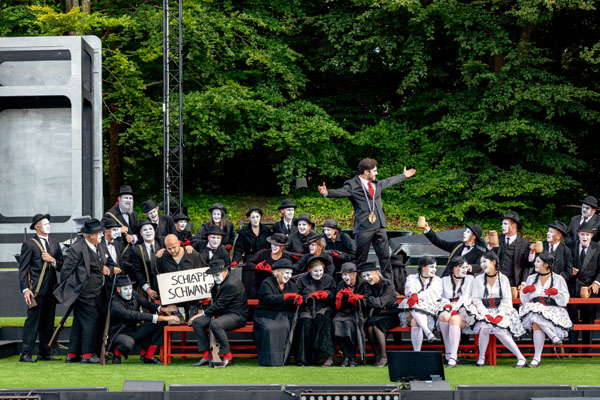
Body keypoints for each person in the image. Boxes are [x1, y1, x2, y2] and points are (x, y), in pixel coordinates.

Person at [318, 158, 416, 282]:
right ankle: (359, 284)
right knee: (360, 259)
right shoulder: (352, 184)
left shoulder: (376, 183)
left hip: (379, 225)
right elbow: (342, 192)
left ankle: (388, 284)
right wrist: (327, 192)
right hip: (364, 228)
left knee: (385, 257)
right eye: (374, 171)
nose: (377, 173)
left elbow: (389, 181)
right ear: (366, 172)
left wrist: (404, 176)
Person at [54, 219, 117, 364]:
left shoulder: (100, 246)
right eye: (99, 232)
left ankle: (73, 353)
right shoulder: (76, 248)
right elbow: (65, 272)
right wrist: (73, 289)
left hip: (98, 292)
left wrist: (110, 270)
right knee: (91, 321)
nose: (102, 234)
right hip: (83, 293)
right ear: (91, 235)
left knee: (78, 323)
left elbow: (110, 264)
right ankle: (87, 354)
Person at [18, 213, 64, 362]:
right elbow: (23, 269)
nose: (48, 225)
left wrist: (53, 261)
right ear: (36, 226)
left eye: (48, 223)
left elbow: (62, 265)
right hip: (36, 289)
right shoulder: (29, 244)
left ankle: (45, 352)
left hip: (52, 289)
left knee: (48, 321)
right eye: (44, 223)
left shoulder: (55, 243)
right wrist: (26, 289)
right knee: (33, 322)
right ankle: (26, 353)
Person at [469, 251, 527, 367]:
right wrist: (486, 313)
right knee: (485, 327)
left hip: (502, 310)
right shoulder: (478, 279)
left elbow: (506, 299)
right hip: (484, 311)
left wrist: (500, 315)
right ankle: (481, 357)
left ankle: (521, 358)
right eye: (481, 262)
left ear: (494, 262)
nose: (482, 264)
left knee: (498, 329)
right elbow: (476, 299)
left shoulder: (503, 279)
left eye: (485, 261)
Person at [189, 259, 248, 367]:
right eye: (213, 275)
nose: (215, 277)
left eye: (217, 274)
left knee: (215, 324)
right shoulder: (220, 282)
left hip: (236, 315)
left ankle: (228, 356)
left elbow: (220, 305)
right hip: (221, 313)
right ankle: (207, 356)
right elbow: (215, 302)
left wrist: (202, 313)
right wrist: (203, 312)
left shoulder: (231, 284)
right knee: (197, 323)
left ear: (225, 271)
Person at [108, 275, 180, 364]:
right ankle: (117, 355)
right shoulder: (116, 305)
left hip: (133, 330)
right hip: (120, 333)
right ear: (118, 290)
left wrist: (162, 309)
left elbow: (146, 303)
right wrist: (163, 317)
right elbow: (136, 315)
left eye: (130, 288)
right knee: (128, 343)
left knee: (160, 325)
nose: (129, 292)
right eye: (125, 289)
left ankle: (149, 356)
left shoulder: (133, 293)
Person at [519, 252, 572, 367]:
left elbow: (565, 300)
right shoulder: (531, 278)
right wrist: (525, 291)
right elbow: (525, 300)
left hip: (552, 310)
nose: (535, 264)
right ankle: (550, 339)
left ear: (547, 264)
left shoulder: (558, 279)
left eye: (538, 262)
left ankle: (537, 357)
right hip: (535, 309)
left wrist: (556, 293)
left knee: (536, 317)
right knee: (535, 317)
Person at [253, 258, 303, 366]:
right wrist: (287, 296)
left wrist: (297, 301)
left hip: (282, 315)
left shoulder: (292, 286)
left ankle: (281, 360)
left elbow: (293, 302)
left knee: (284, 327)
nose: (288, 276)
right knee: (268, 329)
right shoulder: (267, 283)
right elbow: (269, 299)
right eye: (286, 272)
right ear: (278, 272)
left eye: (290, 273)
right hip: (265, 314)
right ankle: (268, 360)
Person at [294, 256, 337, 366]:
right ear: (309, 270)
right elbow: (296, 296)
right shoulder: (301, 279)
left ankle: (327, 356)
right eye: (315, 271)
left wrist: (328, 294)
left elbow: (334, 294)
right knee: (304, 322)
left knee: (322, 320)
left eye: (321, 270)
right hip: (306, 308)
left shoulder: (329, 279)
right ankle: (303, 359)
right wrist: (308, 296)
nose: (318, 273)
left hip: (324, 307)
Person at [566, 222, 600, 351]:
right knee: (572, 318)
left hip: (589, 287)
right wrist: (571, 271)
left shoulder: (597, 248)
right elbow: (565, 264)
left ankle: (587, 349)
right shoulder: (570, 246)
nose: (584, 237)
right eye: (582, 234)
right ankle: (572, 348)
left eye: (587, 234)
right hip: (573, 286)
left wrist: (597, 282)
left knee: (588, 318)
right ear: (578, 235)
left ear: (591, 236)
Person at [436, 256, 475, 368]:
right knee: (444, 317)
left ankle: (453, 357)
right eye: (461, 267)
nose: (465, 269)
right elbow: (442, 297)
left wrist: (456, 308)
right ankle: (448, 351)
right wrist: (446, 305)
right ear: (454, 268)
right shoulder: (444, 280)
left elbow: (466, 296)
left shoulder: (470, 279)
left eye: (465, 267)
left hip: (464, 308)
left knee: (453, 319)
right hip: (448, 307)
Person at [358, 261, 398, 367]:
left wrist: (368, 299)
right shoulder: (366, 285)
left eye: (368, 275)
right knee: (369, 327)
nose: (366, 278)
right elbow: (365, 303)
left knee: (376, 326)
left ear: (376, 272)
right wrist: (369, 300)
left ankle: (384, 356)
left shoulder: (388, 284)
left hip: (390, 315)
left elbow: (380, 303)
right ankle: (377, 354)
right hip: (376, 315)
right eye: (364, 276)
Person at [398, 256, 442, 349]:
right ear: (423, 267)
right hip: (411, 312)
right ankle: (428, 334)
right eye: (432, 267)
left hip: (429, 312)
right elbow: (410, 289)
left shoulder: (437, 280)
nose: (434, 269)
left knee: (415, 321)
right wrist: (413, 294)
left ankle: (417, 351)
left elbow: (432, 293)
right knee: (414, 307)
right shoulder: (412, 278)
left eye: (435, 267)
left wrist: (417, 296)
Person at [488, 211, 529, 297]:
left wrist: (523, 282)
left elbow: (526, 265)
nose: (502, 226)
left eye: (505, 224)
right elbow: (488, 258)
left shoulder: (524, 243)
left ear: (514, 226)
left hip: (513, 282)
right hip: (496, 279)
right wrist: (489, 246)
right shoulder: (497, 239)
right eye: (502, 224)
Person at [232, 206, 271, 295]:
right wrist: (235, 260)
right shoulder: (244, 232)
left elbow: (270, 246)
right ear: (249, 218)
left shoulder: (266, 230)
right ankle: (249, 307)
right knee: (249, 286)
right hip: (250, 259)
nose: (255, 219)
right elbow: (239, 248)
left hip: (263, 259)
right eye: (253, 217)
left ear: (260, 217)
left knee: (264, 284)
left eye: (257, 217)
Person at [333, 262, 363, 367]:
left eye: (348, 274)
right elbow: (338, 306)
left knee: (349, 325)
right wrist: (339, 298)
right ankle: (345, 356)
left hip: (357, 312)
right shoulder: (341, 284)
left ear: (354, 274)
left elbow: (365, 300)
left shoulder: (362, 283)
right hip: (343, 312)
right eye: (343, 274)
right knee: (336, 322)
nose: (345, 277)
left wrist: (355, 297)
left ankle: (353, 357)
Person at [246, 233, 291, 298]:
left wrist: (273, 272)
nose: (273, 247)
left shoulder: (286, 258)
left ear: (283, 246)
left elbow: (289, 275)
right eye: (272, 244)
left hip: (276, 290)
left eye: (277, 245)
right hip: (259, 288)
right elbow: (248, 263)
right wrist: (256, 267)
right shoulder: (263, 253)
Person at [102, 185, 139, 261]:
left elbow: (139, 232)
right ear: (119, 199)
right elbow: (101, 231)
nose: (128, 200)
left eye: (130, 198)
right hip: (119, 256)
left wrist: (133, 237)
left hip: (134, 256)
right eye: (126, 198)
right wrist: (118, 230)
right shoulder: (110, 215)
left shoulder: (134, 214)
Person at [131, 219, 164, 301]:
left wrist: (165, 251)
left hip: (165, 285)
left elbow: (176, 248)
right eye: (145, 230)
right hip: (149, 287)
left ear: (154, 231)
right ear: (141, 234)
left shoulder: (162, 242)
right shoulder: (137, 250)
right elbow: (137, 272)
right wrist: (147, 289)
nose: (148, 232)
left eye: (150, 229)